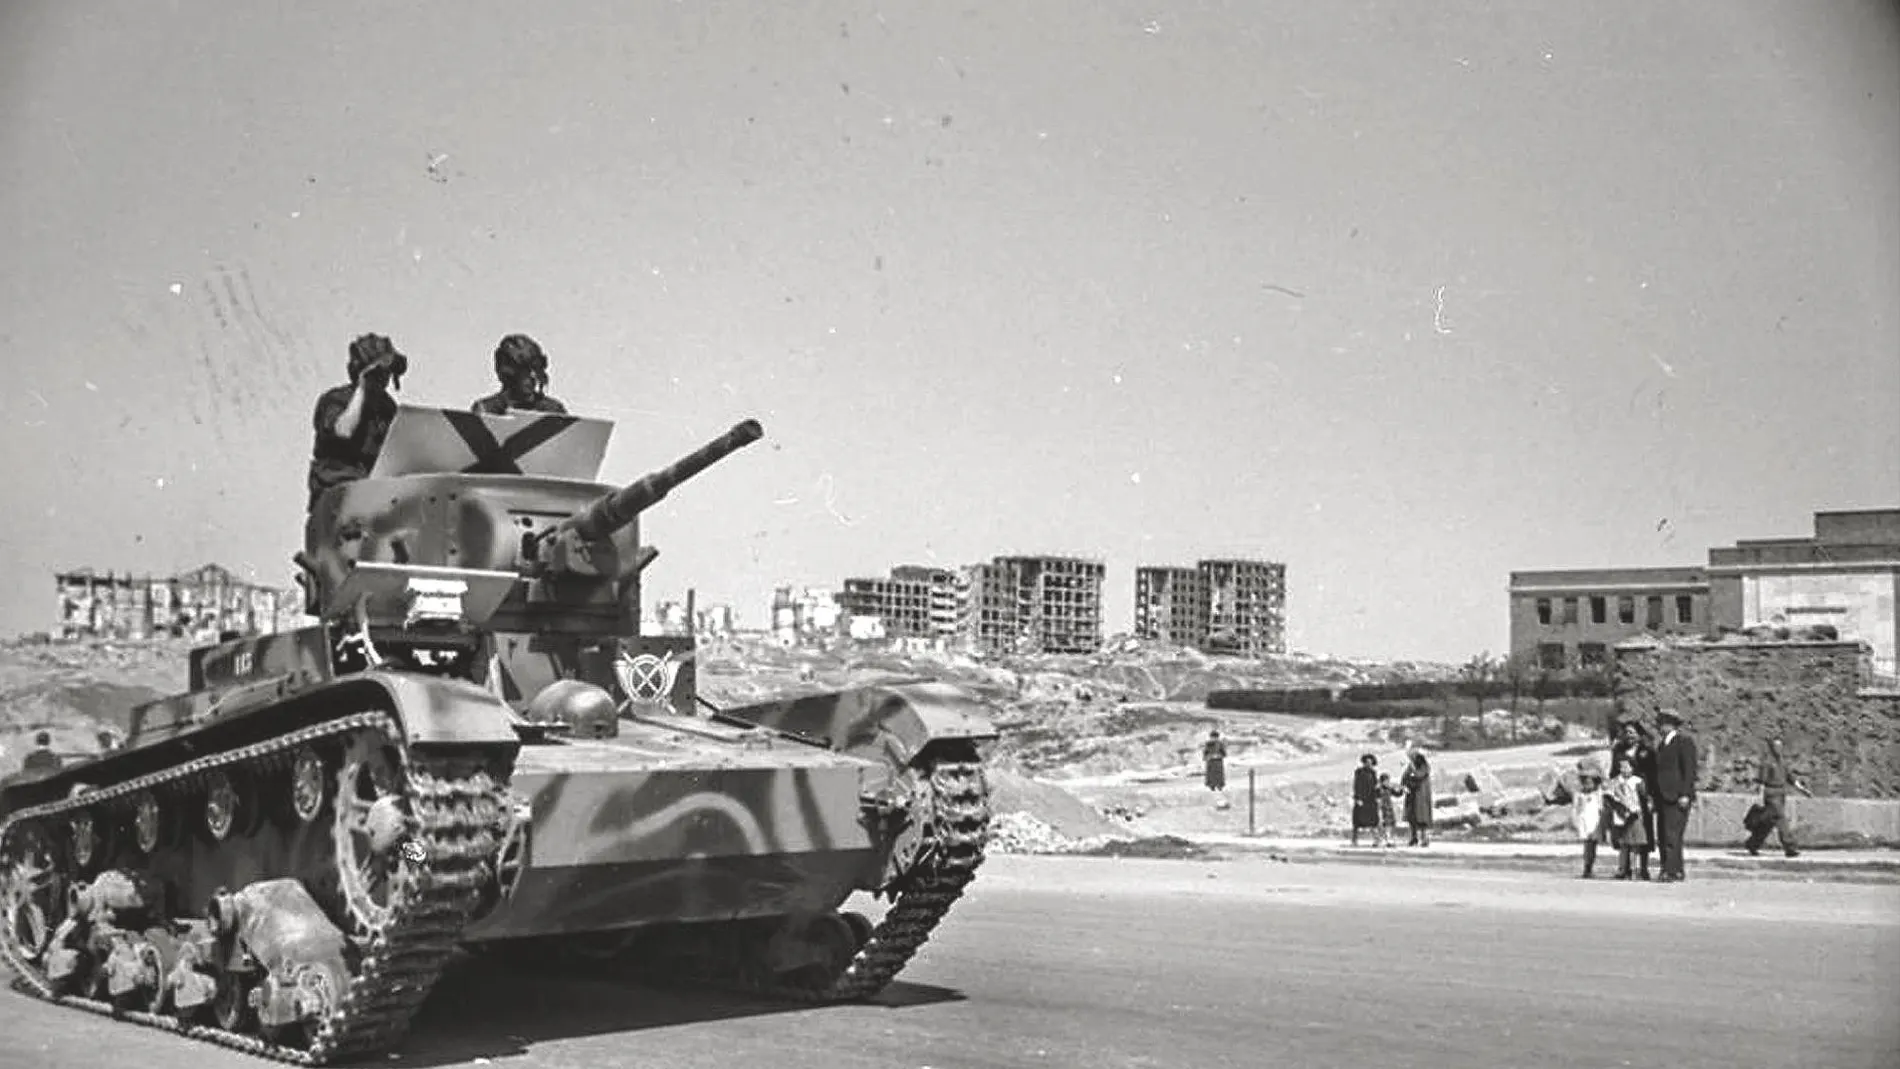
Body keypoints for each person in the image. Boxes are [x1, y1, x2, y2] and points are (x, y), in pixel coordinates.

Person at [307, 333, 408, 512]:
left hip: (374, 496)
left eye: (386, 373)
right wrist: (362, 389)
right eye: (378, 373)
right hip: (337, 497)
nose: (383, 378)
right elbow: (343, 431)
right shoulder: (336, 399)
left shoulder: (388, 408)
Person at [1745, 734, 1813, 858]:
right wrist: (1760, 797)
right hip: (1771, 795)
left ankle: (1753, 844)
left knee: (1769, 823)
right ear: (1772, 747)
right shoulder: (1767, 763)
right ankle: (1790, 847)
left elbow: (1791, 778)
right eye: (1776, 746)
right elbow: (1761, 782)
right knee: (1782, 820)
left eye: (1780, 746)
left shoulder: (1783, 762)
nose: (1778, 749)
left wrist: (1803, 790)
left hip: (1781, 795)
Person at [1652, 707, 1698, 882]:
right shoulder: (1662, 745)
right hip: (1663, 796)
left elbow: (1689, 771)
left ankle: (1669, 870)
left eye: (1661, 723)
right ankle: (1676, 869)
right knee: (1664, 836)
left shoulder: (1683, 742)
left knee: (1672, 836)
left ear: (1669, 725)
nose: (1658, 727)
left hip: (1677, 796)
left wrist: (1685, 793)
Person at [472, 334, 569, 415]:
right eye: (526, 371)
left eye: (536, 369)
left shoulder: (553, 410)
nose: (533, 376)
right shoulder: (486, 410)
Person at [1610, 718, 1660, 859]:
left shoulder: (1647, 751)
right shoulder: (1618, 750)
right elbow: (1613, 772)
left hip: (1641, 795)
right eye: (1627, 732)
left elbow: (1653, 774)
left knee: (1642, 832)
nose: (1629, 735)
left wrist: (1651, 796)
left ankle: (1642, 868)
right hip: (1623, 795)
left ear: (1639, 734)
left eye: (1632, 732)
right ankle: (1625, 867)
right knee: (1624, 832)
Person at [1605, 753, 1652, 880]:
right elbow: (1609, 797)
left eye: (1626, 767)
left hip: (1636, 815)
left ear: (1632, 767)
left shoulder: (1638, 781)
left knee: (1636, 844)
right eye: (1621, 767)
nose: (1623, 770)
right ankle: (1622, 869)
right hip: (1620, 816)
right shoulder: (1616, 781)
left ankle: (1636, 869)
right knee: (1623, 844)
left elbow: (1644, 798)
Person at [1572, 758, 1608, 878]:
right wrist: (1575, 821)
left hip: (1594, 821)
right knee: (1587, 845)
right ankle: (1587, 866)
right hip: (1584, 821)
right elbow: (1576, 809)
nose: (1588, 783)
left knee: (1592, 844)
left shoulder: (1598, 794)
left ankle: (1589, 865)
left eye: (1590, 781)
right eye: (1585, 781)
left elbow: (1601, 808)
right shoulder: (1579, 794)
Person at [1400, 746, 1434, 847]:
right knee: (1412, 819)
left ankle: (1424, 838)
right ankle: (1413, 838)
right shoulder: (1410, 767)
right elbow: (1404, 778)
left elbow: (1419, 776)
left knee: (1422, 819)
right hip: (1412, 795)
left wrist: (1412, 771)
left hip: (1421, 797)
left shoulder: (1424, 767)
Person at [1350, 753, 1379, 847]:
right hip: (1361, 799)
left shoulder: (1373, 773)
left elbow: (1375, 786)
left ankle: (1376, 840)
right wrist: (1357, 798)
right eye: (1367, 762)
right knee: (1357, 822)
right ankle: (1354, 840)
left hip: (1370, 800)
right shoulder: (1359, 772)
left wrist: (1377, 797)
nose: (1368, 764)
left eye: (1370, 762)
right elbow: (1356, 785)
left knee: (1373, 822)